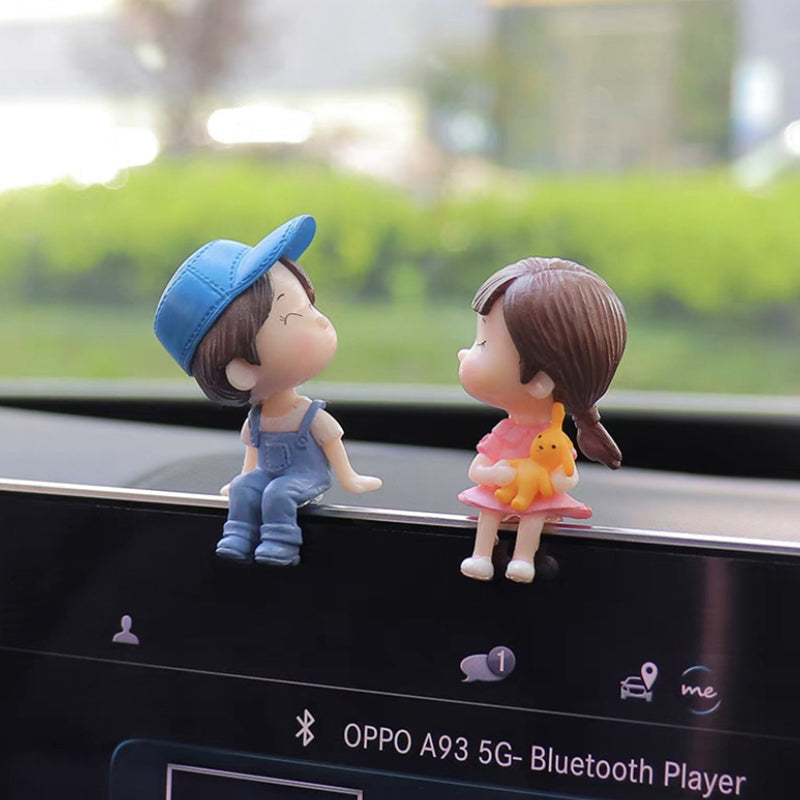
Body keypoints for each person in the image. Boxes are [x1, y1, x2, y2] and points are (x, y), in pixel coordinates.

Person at [154, 214, 381, 566]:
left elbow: (333, 448)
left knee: (278, 492)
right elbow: (252, 459)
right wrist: (242, 480)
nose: (321, 319)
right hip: (269, 475)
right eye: (294, 316)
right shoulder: (256, 420)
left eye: (310, 306)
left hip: (305, 477)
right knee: (246, 488)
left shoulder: (310, 415)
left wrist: (350, 479)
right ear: (241, 371)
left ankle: (280, 541)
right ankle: (237, 534)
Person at [457, 256, 626, 583]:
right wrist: (495, 474)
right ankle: (481, 555)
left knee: (535, 516)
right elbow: (476, 470)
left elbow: (568, 476)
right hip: (501, 494)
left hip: (532, 499)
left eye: (484, 343)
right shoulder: (505, 433)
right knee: (488, 512)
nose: (464, 353)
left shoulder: (553, 440)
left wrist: (543, 483)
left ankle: (523, 558)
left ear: (540, 381)